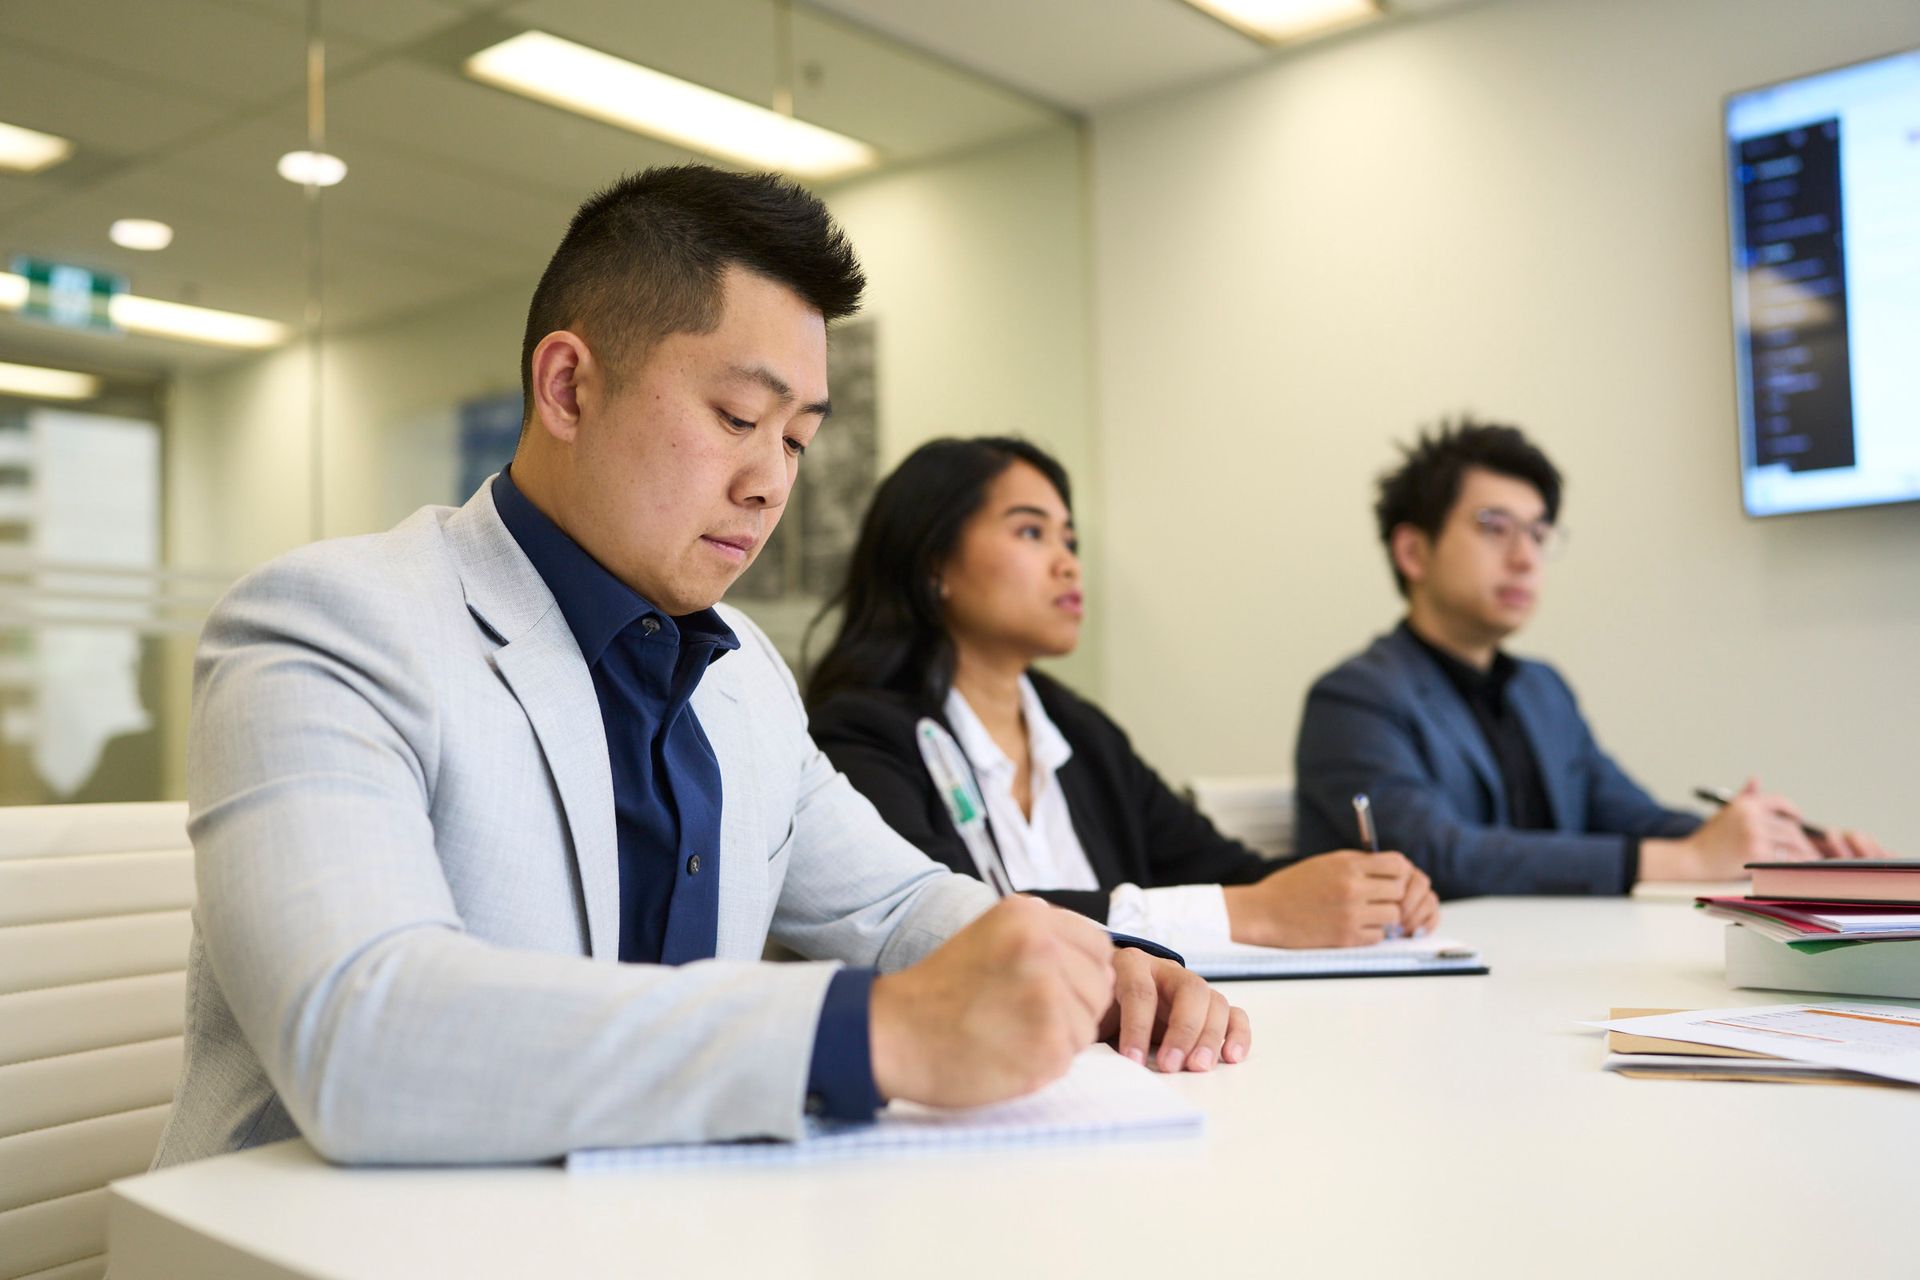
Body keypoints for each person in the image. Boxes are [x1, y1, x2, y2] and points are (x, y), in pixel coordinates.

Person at [153, 167, 1248, 1171]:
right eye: (736, 417)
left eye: (797, 439)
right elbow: (360, 1029)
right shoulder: (329, 625)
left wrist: (1096, 965)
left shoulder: (740, 673)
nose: (772, 482)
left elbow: (897, 899)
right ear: (569, 387)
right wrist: (873, 1031)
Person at [805, 436, 1438, 951]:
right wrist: (1251, 912)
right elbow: (936, 919)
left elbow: (1229, 874)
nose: (1069, 563)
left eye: (1070, 540)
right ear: (932, 562)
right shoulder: (861, 732)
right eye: (1032, 533)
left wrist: (1362, 889)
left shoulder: (1079, 732)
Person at [1294, 418, 1886, 898]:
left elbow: (1630, 814)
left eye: (1539, 533)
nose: (1527, 557)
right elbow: (1438, 855)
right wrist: (1686, 861)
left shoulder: (1542, 690)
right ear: (1413, 551)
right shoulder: (1354, 698)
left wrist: (1775, 844)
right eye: (1495, 528)